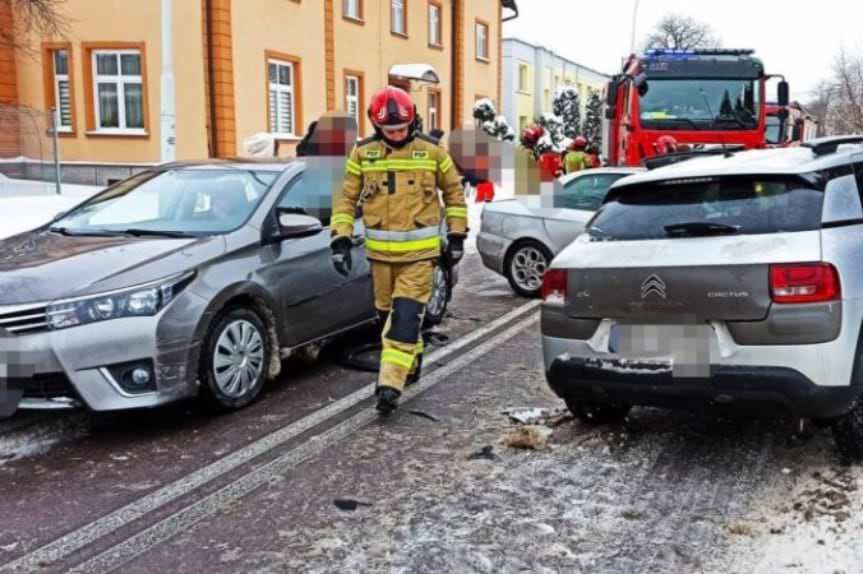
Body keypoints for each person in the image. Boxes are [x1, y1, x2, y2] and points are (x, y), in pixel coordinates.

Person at [330, 86, 468, 416]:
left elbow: (453, 193)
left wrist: (458, 235)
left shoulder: (432, 152)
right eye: (389, 130)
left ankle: (390, 385)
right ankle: (413, 358)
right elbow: (346, 199)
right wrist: (340, 237)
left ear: (413, 122)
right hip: (380, 259)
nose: (396, 134)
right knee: (388, 319)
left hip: (419, 258)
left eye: (402, 129)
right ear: (377, 127)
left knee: (404, 319)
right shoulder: (363, 154)